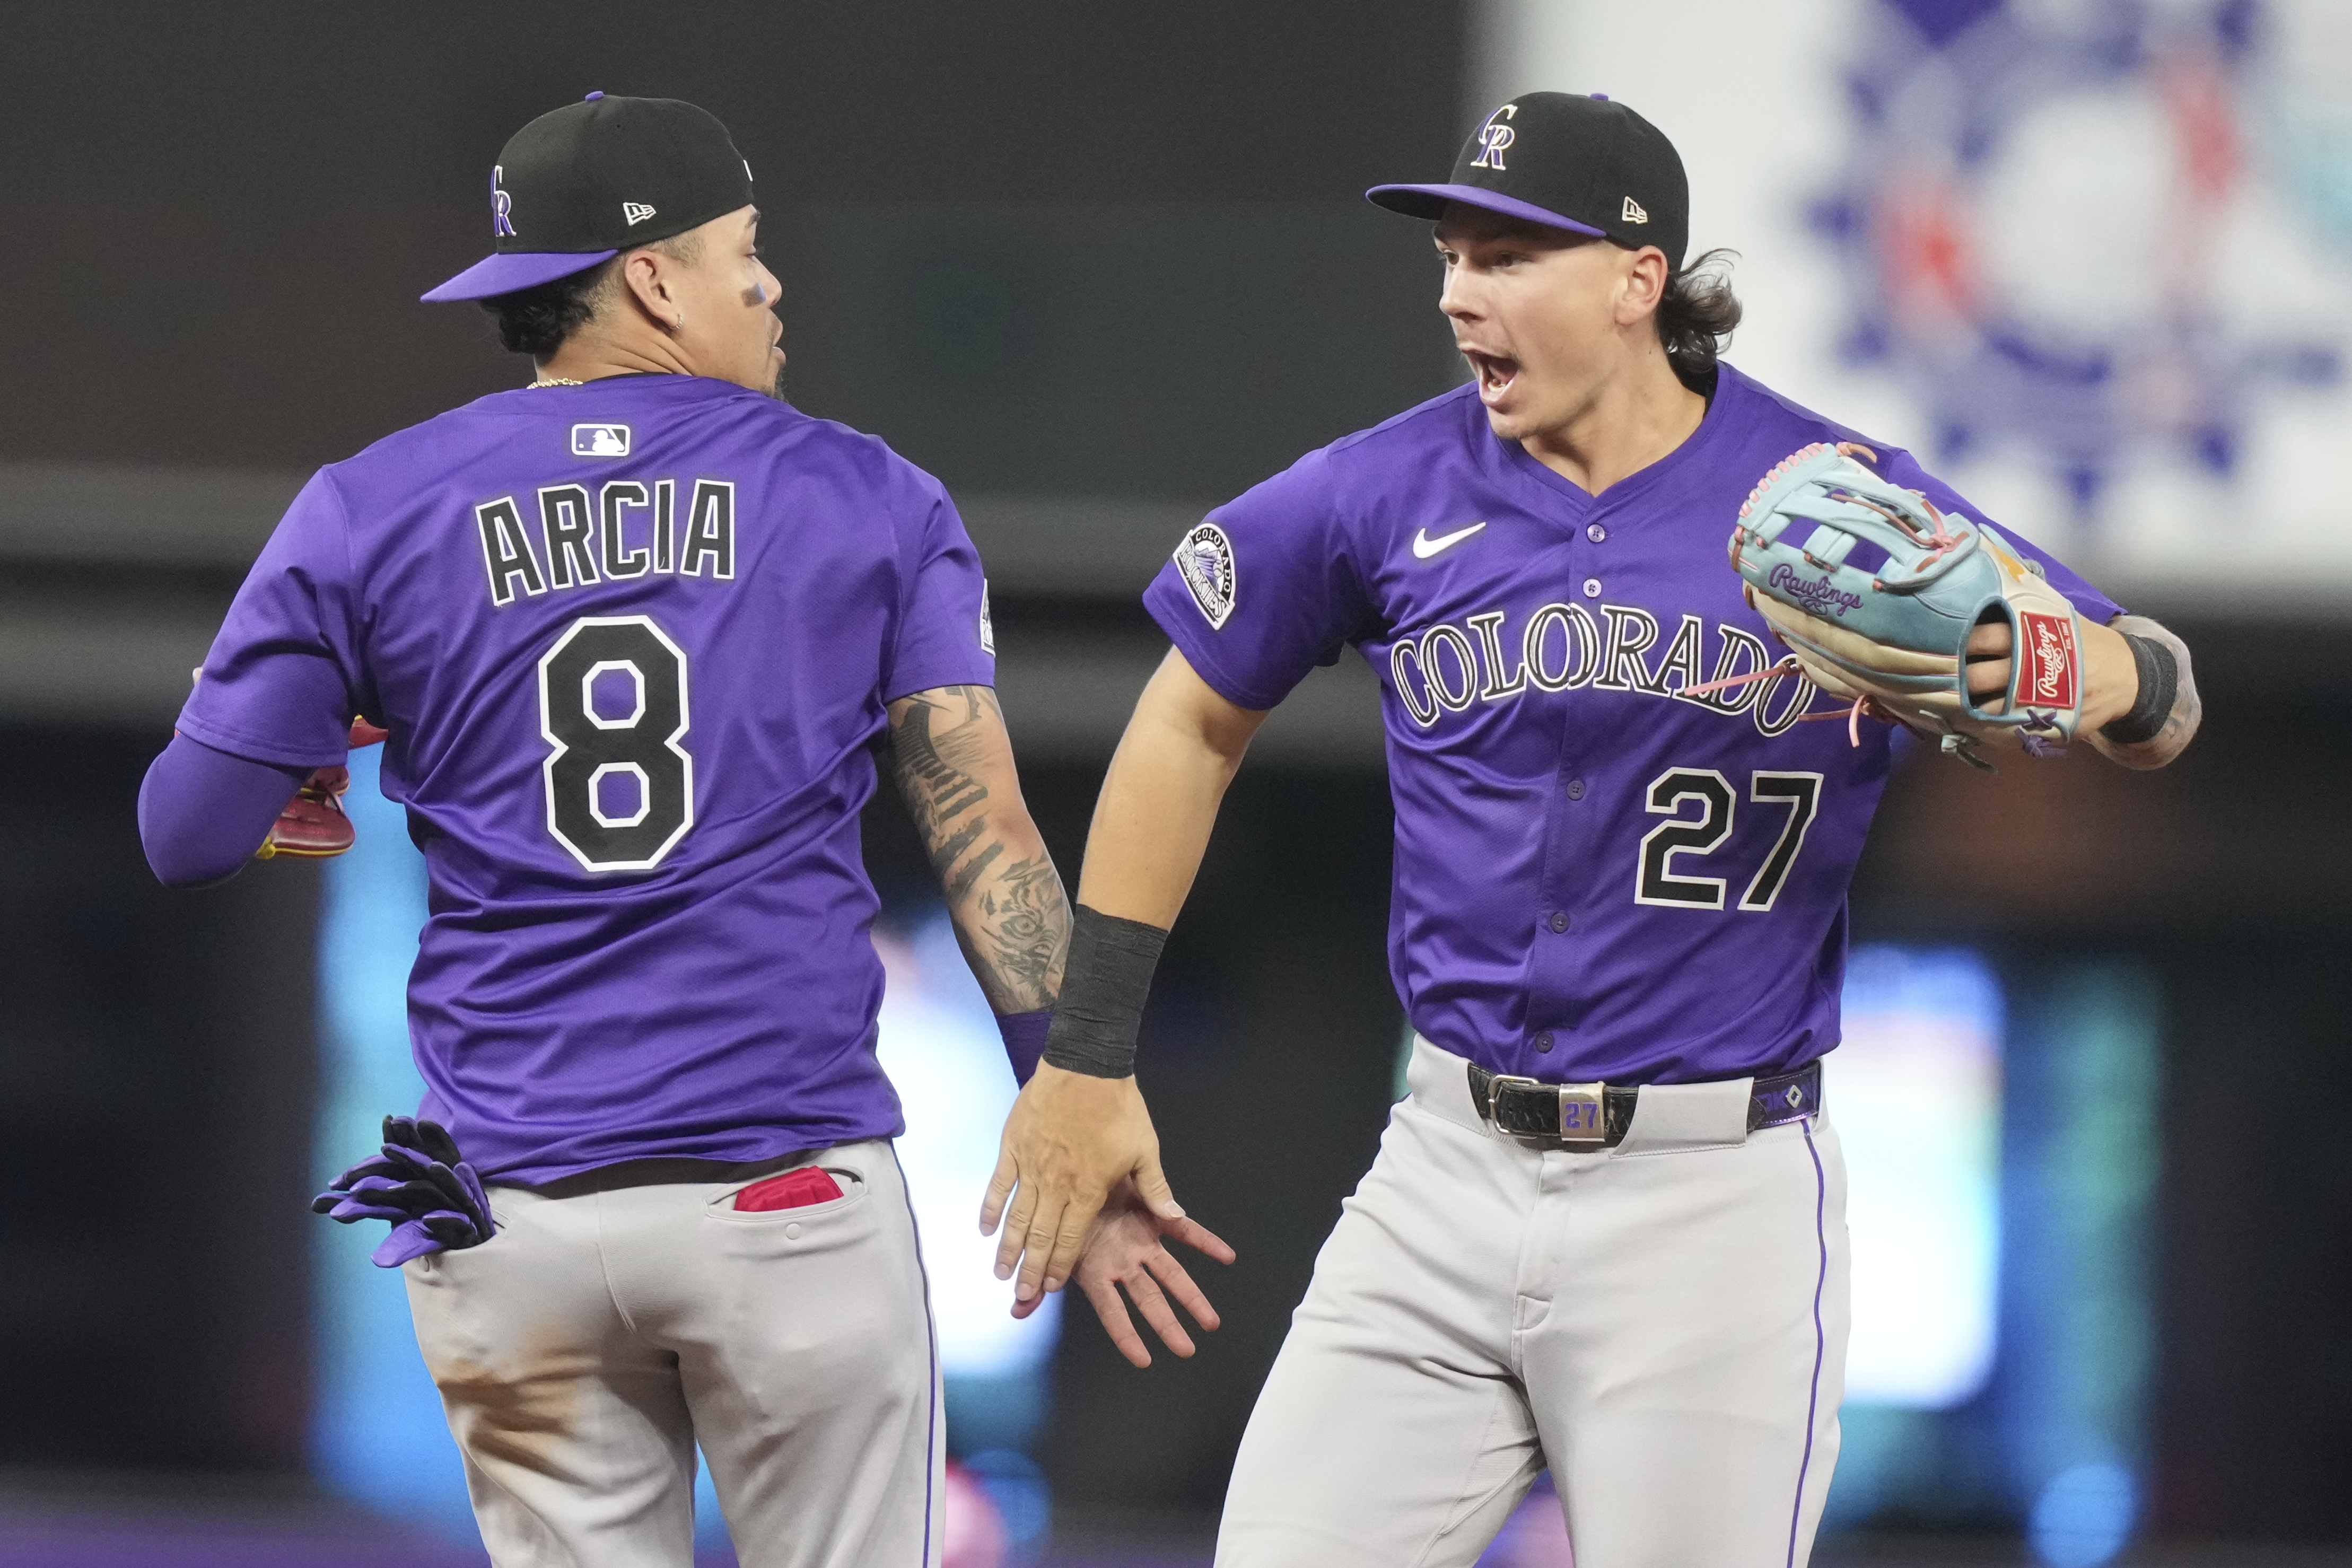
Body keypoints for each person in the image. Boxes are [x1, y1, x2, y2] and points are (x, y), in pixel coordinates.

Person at [982, 91, 2200, 1566]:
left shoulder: (1829, 506)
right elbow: (1185, 717)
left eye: (1503, 255)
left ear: (1637, 281)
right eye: (1449, 255)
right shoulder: (1384, 488)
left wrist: (2078, 669)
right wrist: (1089, 1049)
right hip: (1443, 1166)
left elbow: (2158, 695)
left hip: (1710, 1202)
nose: (1455, 292)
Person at [137, 92, 1224, 1568]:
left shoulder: (368, 507)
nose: (770, 285)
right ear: (651, 276)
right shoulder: (865, 495)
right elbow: (986, 831)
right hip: (777, 1185)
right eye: (745, 251)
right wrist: (1070, 1091)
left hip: (503, 1209)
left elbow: (189, 829)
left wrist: (312, 806)